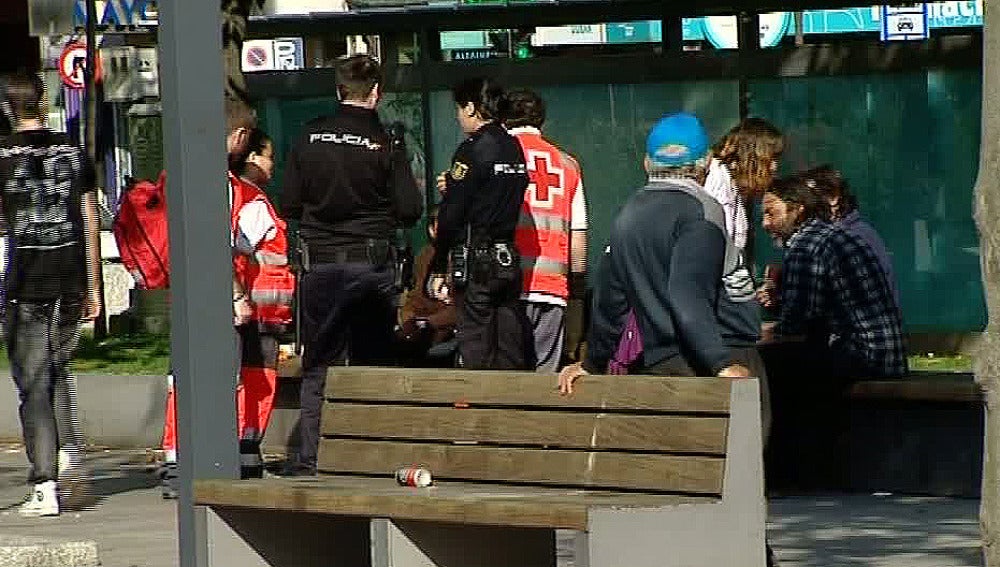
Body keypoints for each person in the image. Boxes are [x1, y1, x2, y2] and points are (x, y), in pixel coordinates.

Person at [281, 54, 422, 475]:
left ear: (337, 91)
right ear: (375, 93)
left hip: (321, 266)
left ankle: (311, 460)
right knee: (374, 362)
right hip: (371, 267)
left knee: (318, 364)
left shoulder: (308, 138)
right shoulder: (387, 142)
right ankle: (372, 458)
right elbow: (410, 209)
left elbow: (289, 201)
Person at [558, 112, 761, 394]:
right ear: (705, 163)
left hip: (661, 362)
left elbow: (609, 298)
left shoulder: (629, 213)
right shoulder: (701, 211)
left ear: (646, 163)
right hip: (718, 356)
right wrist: (720, 364)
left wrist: (593, 361)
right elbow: (689, 295)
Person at [0, 73, 101, 517]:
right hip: (69, 277)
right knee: (58, 371)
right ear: (43, 101)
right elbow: (90, 218)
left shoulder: (1, 156)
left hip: (24, 281)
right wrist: (93, 283)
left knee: (34, 385)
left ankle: (45, 485)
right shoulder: (75, 151)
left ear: (7, 107)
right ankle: (66, 457)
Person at [159, 100, 263, 497]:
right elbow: (216, 243)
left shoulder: (179, 172)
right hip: (215, 297)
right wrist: (236, 295)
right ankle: (212, 462)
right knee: (223, 378)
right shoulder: (218, 180)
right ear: (237, 137)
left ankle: (174, 461)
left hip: (182, 294)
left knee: (180, 380)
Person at [760, 173, 907, 379]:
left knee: (768, 369)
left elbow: (797, 325)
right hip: (886, 356)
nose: (765, 224)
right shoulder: (832, 234)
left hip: (864, 358)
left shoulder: (805, 247)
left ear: (798, 210)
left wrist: (758, 334)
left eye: (771, 213)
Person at [430, 77, 533, 370]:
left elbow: (452, 213)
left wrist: (438, 265)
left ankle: (482, 413)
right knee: (508, 348)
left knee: (477, 350)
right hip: (507, 262)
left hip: (478, 263)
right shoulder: (513, 147)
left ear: (473, 108)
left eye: (460, 109)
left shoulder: (473, 149)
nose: (457, 116)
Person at [505, 89, 588, 373]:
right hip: (553, 288)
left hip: (509, 285)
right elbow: (578, 235)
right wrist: (577, 290)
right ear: (541, 121)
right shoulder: (568, 165)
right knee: (544, 378)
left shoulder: (499, 158)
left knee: (509, 379)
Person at [229, 128, 295, 479]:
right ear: (253, 158)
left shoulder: (237, 194)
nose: (273, 164)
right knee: (259, 381)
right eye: (268, 155)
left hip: (255, 304)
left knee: (252, 379)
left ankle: (247, 454)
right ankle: (247, 452)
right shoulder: (254, 201)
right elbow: (240, 245)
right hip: (260, 309)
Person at [802, 164, 901, 305]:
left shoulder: (853, 237)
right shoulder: (844, 234)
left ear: (833, 197)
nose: (805, 206)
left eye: (811, 197)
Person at [396, 206, 457, 366]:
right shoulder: (425, 255)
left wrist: (429, 322)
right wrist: (409, 319)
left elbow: (462, 308)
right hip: (422, 326)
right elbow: (415, 297)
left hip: (449, 329)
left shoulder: (461, 257)